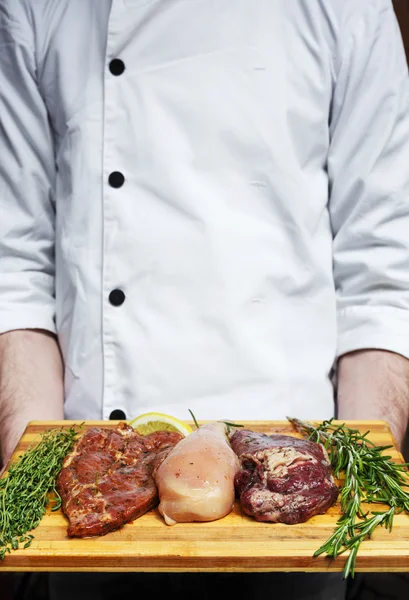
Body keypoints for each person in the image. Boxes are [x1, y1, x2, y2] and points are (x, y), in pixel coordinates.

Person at [1, 1, 409, 598]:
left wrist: (356, 503)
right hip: (85, 546)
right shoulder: (38, 7)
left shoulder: (349, 7)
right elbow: (15, 269)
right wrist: (38, 490)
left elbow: (382, 276)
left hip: (302, 526)